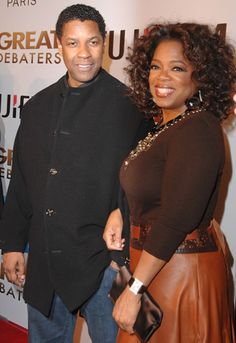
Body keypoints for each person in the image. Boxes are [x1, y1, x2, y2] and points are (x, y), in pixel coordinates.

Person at [0, 4, 150, 343]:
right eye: (72, 43)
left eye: (93, 42)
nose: (84, 54)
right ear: (58, 44)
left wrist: (120, 212)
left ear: (105, 43)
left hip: (104, 263)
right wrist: (11, 244)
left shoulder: (130, 106)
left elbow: (144, 181)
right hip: (46, 259)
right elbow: (22, 182)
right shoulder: (36, 107)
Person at [103, 23, 236, 342]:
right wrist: (121, 213)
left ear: (200, 76)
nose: (161, 77)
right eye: (155, 66)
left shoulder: (197, 129)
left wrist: (134, 289)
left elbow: (177, 218)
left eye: (177, 68)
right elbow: (151, 190)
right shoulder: (164, 126)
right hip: (155, 267)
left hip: (178, 273)